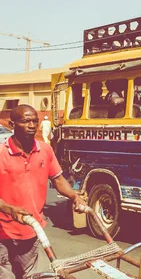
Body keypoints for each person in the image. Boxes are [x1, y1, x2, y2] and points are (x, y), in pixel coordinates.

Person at [0, 105, 87, 279]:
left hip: (32, 230)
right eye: (26, 121)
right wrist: (9, 209)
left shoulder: (45, 150)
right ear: (12, 124)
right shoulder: (1, 153)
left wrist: (74, 196)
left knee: (30, 275)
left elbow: (58, 179)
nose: (32, 125)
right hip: (2, 232)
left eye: (35, 121)